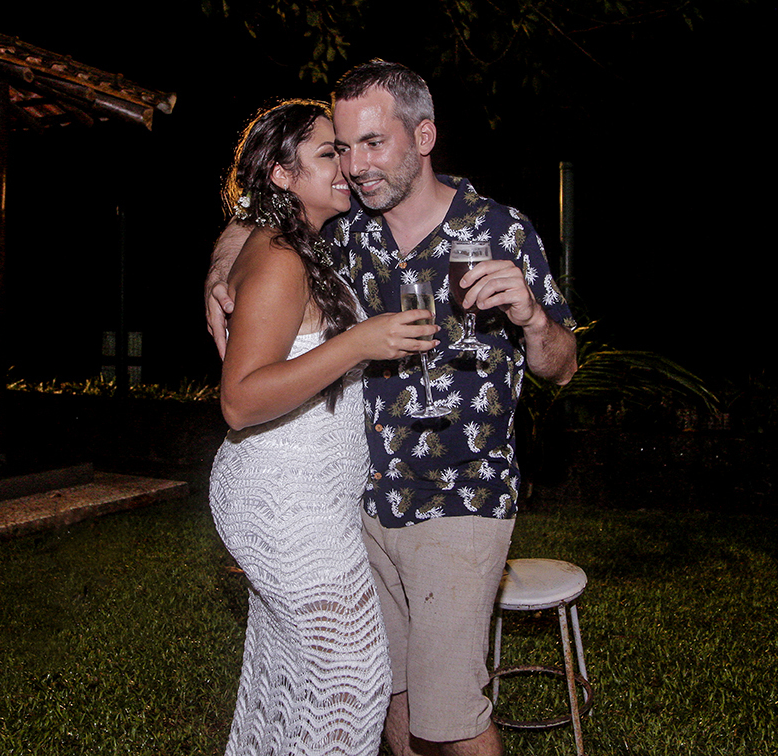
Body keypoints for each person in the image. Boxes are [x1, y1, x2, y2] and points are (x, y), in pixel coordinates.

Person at [207, 62, 578, 756]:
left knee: (451, 717)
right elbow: (264, 222)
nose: (355, 165)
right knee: (387, 696)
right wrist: (218, 271)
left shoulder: (501, 230)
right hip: (361, 503)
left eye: (373, 144)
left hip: (458, 502)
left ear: (423, 135)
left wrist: (530, 318)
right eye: (343, 147)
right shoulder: (349, 233)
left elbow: (562, 365)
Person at [208, 98, 439, 756]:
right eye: (325, 153)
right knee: (352, 681)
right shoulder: (281, 259)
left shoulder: (302, 244)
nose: (343, 165)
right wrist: (359, 341)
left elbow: (238, 224)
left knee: (295, 677)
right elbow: (240, 401)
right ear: (281, 175)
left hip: (312, 496)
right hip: (284, 499)